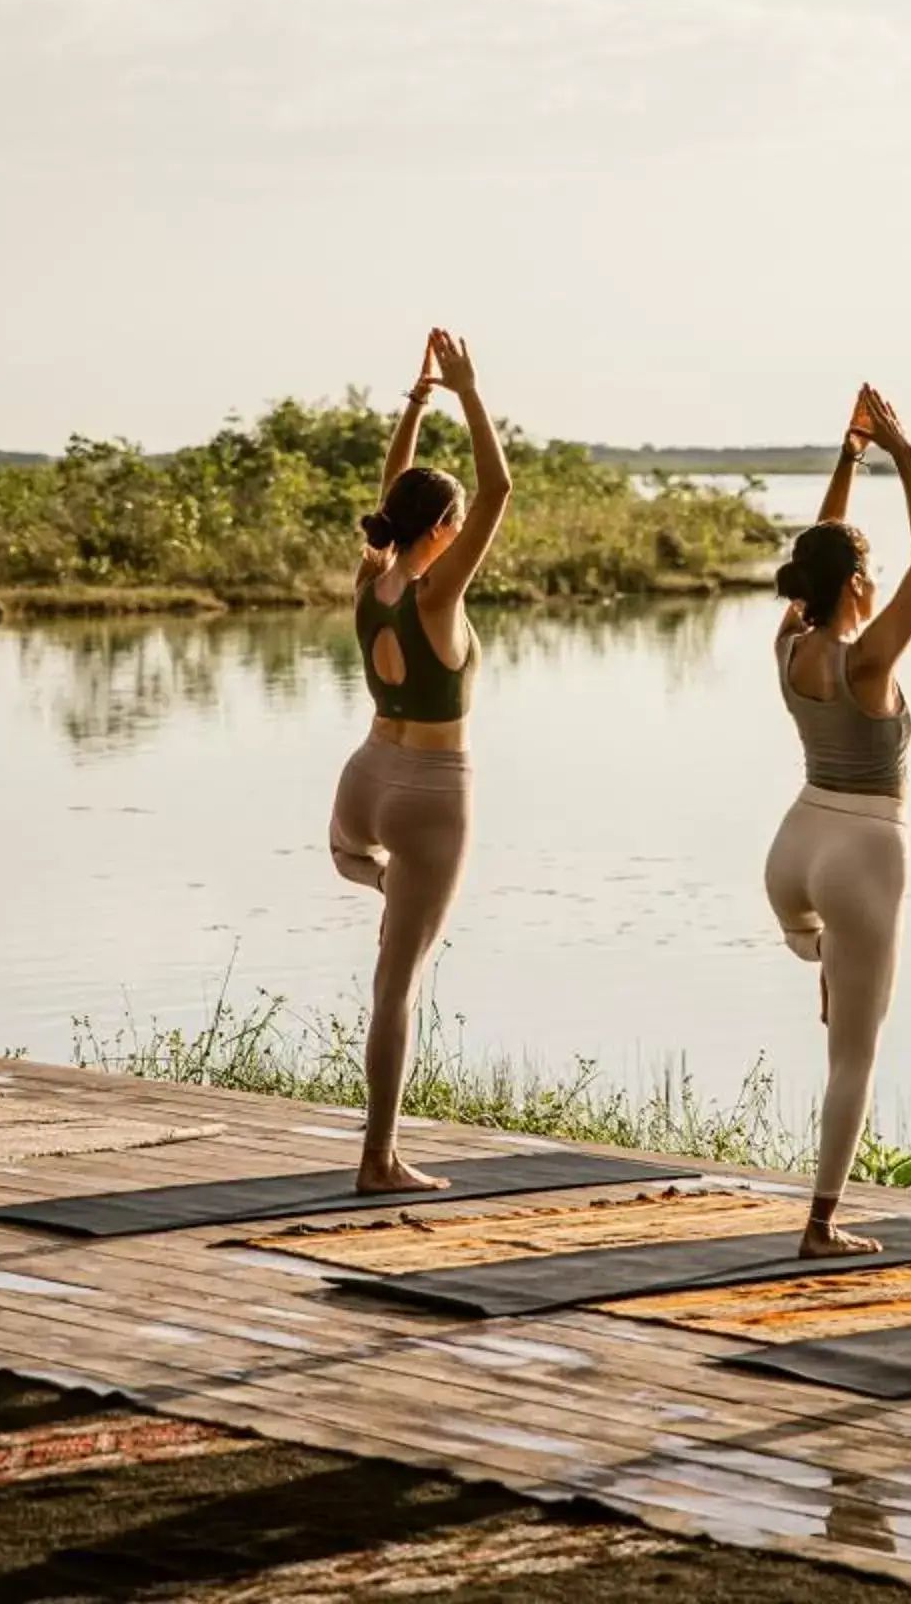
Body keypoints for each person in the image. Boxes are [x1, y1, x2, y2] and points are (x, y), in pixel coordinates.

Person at [764, 385, 911, 1258]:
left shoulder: (792, 642)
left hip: (793, 847)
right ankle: (821, 1224)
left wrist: (850, 460)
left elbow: (820, 550)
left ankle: (826, 956)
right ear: (860, 587)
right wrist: (904, 456)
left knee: (828, 958)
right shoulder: (869, 660)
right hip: (864, 852)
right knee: (855, 1055)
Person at [329, 329, 511, 1194]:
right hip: (432, 794)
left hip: (362, 780)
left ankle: (377, 882)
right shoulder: (440, 594)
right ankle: (379, 1159)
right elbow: (500, 489)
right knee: (397, 984)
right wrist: (469, 392)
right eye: (454, 519)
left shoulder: (372, 580)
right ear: (443, 528)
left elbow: (387, 495)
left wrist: (416, 402)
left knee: (358, 865)